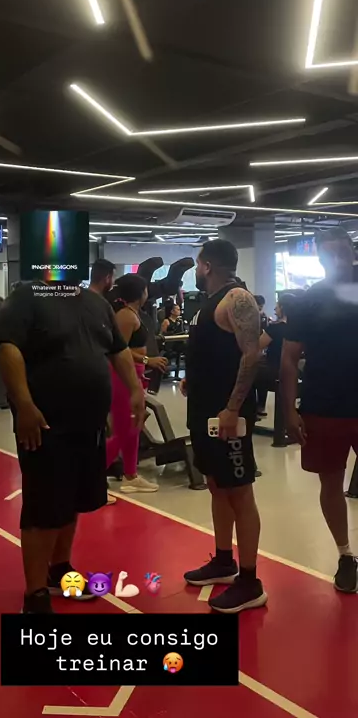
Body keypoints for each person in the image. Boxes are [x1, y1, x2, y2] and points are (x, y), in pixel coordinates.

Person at [0, 279, 145, 614]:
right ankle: (35, 595)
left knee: (72, 500)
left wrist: (135, 388)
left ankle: (59, 570)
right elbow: (6, 349)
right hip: (46, 424)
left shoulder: (96, 303)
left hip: (88, 424)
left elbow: (118, 348)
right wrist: (24, 404)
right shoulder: (27, 297)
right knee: (43, 507)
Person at [180, 240, 266, 613]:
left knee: (239, 492)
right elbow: (216, 351)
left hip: (227, 416)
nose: (196, 271)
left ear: (207, 265)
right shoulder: (210, 302)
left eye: (198, 264)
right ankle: (223, 561)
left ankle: (250, 581)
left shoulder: (237, 298)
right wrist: (195, 377)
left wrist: (233, 408)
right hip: (204, 412)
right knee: (217, 486)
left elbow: (252, 354)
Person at [281, 227, 358, 593]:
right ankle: (345, 556)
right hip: (323, 406)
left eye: (342, 252)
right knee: (330, 482)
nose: (336, 260)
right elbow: (288, 357)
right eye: (328, 255)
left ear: (352, 251)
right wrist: (289, 410)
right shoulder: (309, 300)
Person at [106, 274, 167, 495]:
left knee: (134, 427)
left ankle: (130, 476)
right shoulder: (125, 316)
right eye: (146, 289)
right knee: (125, 430)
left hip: (134, 375)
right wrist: (147, 360)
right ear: (141, 292)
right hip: (123, 377)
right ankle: (89, 475)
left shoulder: (133, 313)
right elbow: (118, 351)